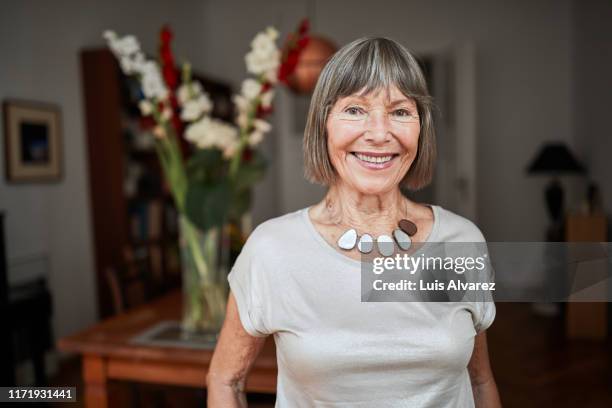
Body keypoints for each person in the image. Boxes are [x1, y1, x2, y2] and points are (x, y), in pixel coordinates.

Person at [207, 37, 501, 407]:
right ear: (323, 125)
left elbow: (480, 381)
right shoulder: (272, 250)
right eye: (355, 110)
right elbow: (224, 379)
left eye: (400, 112)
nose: (379, 134)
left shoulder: (460, 240)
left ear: (421, 129)